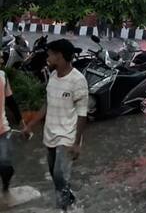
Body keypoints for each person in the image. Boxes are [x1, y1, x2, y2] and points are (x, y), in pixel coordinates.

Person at [22, 39, 88, 211]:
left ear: (59, 56)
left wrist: (77, 143)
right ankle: (70, 199)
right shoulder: (52, 76)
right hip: (50, 133)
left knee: (59, 174)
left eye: (50, 54)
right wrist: (31, 125)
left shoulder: (78, 80)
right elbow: (47, 104)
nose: (47, 58)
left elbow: (82, 113)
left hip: (67, 136)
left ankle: (63, 208)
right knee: (55, 175)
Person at [0, 67, 23, 194]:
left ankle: (5, 188)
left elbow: (10, 101)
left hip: (3, 129)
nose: (2, 60)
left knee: (6, 166)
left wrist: (21, 121)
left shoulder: (3, 76)